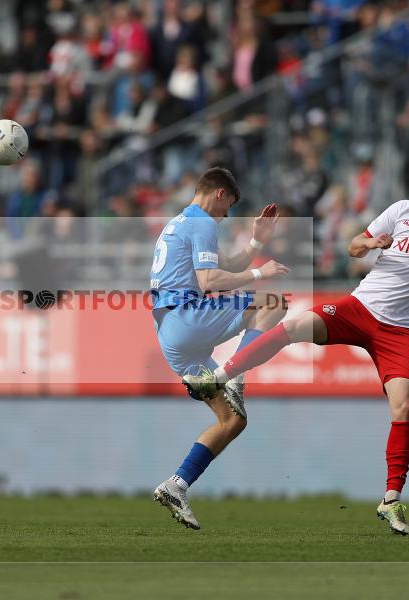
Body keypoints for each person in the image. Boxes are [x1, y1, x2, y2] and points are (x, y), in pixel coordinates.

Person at [184, 147, 409, 535]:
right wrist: (370, 245)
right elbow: (354, 244)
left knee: (404, 406)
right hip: (360, 309)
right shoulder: (404, 209)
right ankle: (218, 376)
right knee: (293, 327)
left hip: (399, 331)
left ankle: (391, 500)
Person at [150, 167, 290, 530]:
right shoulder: (204, 223)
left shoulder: (180, 223)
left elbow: (226, 266)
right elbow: (210, 280)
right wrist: (262, 274)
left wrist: (257, 244)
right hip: (186, 316)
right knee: (273, 302)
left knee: (233, 419)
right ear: (219, 195)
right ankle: (236, 378)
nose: (226, 216)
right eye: (228, 206)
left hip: (170, 333)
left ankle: (177, 485)